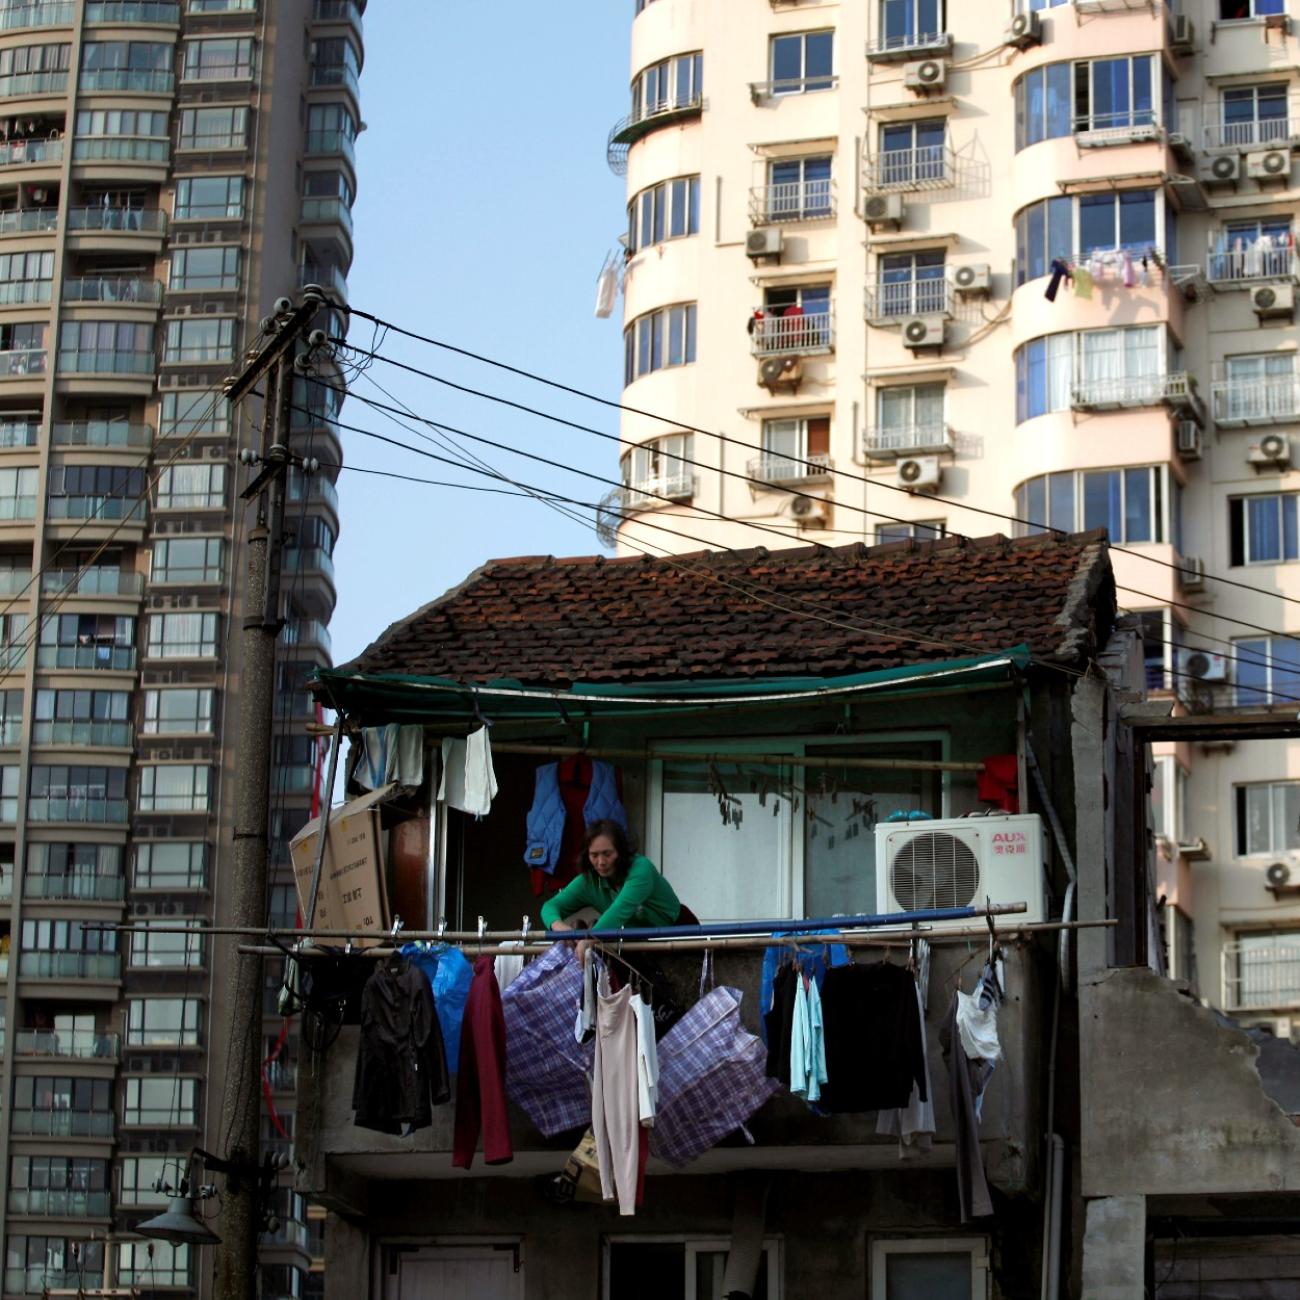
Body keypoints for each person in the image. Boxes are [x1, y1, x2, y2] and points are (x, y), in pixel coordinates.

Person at [540, 820, 696, 953]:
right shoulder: (588, 881)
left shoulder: (641, 868)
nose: (601, 862)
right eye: (594, 855)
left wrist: (589, 939)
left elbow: (620, 910)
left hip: (678, 930)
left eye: (607, 854)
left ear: (621, 852)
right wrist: (558, 927)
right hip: (639, 943)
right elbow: (550, 907)